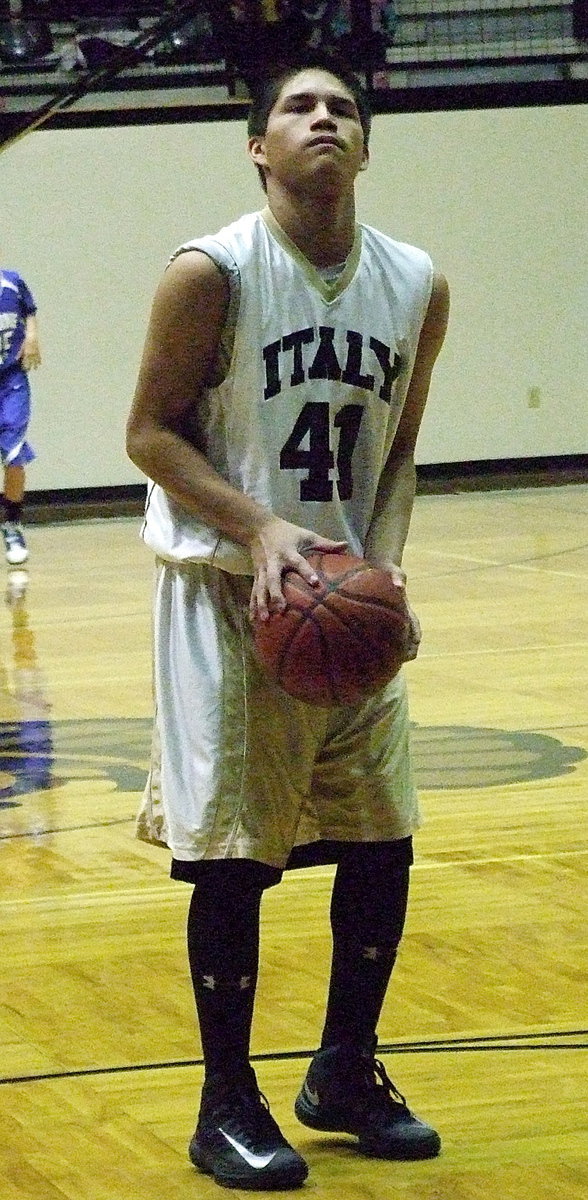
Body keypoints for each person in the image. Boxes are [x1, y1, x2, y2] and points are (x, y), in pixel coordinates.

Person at [127, 49, 449, 1191]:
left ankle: (344, 1071)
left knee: (383, 840)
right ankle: (228, 1103)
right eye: (298, 107)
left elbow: (399, 451)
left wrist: (388, 570)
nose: (324, 118)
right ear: (258, 146)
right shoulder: (210, 271)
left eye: (344, 108)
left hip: (346, 601)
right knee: (236, 857)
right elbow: (150, 436)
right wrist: (262, 529)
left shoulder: (414, 280)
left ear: (366, 146)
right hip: (228, 592)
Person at [0, 267, 41, 566]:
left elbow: (29, 309)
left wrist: (32, 337)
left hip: (11, 380)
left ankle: (12, 525)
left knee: (14, 455)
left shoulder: (12, 282)